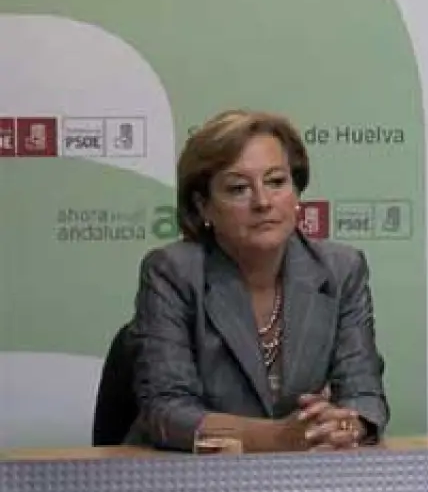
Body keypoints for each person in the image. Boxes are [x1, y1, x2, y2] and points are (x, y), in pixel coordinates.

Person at [128, 110, 389, 452]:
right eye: (238, 189)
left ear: (296, 192)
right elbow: (167, 412)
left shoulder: (340, 270)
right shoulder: (173, 272)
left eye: (276, 182)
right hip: (191, 475)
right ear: (203, 205)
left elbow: (364, 394)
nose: (263, 202)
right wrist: (278, 438)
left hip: (307, 474)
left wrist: (344, 426)